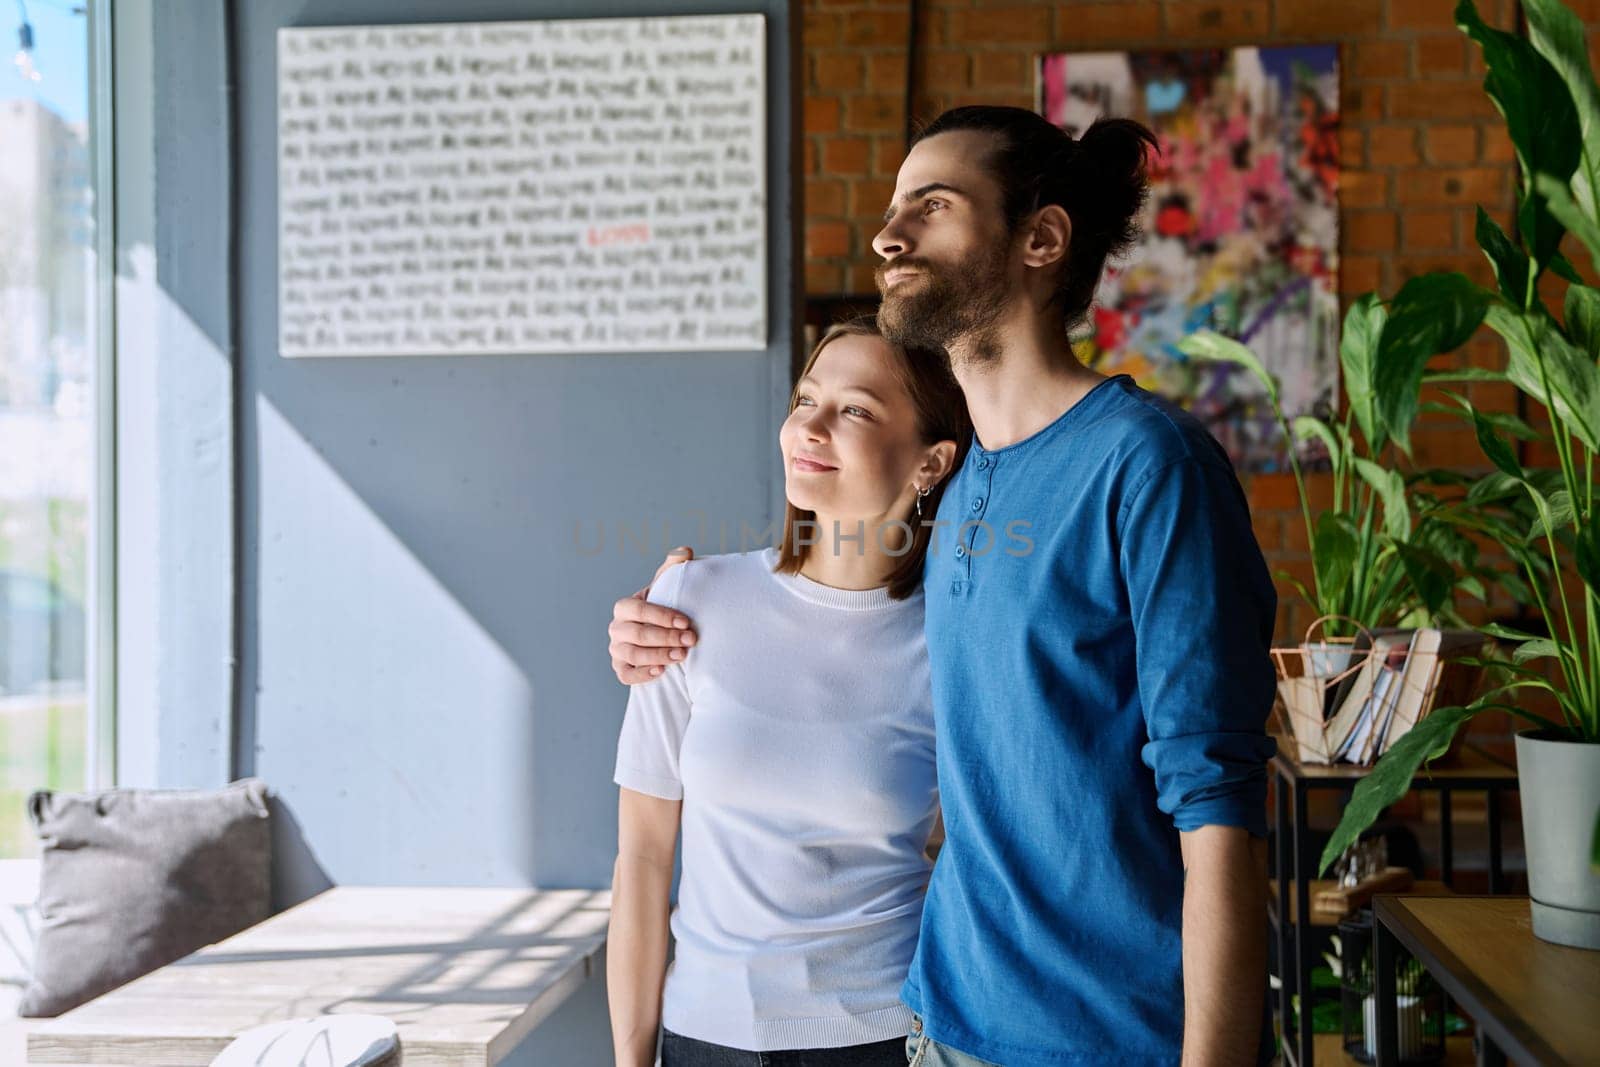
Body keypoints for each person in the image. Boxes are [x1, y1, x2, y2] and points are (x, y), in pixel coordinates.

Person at [610, 106, 1278, 1066]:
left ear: (1041, 239)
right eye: (892, 206)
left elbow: (1218, 810)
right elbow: (827, 613)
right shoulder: (961, 492)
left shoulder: (1148, 465)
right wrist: (657, 623)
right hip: (939, 1025)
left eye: (932, 205)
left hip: (1108, 1039)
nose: (888, 234)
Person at [607, 317, 972, 1067]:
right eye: (806, 398)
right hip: (702, 1032)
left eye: (856, 409)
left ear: (931, 461)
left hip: (881, 1036)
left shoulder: (953, 639)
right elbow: (643, 855)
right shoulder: (688, 600)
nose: (811, 426)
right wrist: (631, 1057)